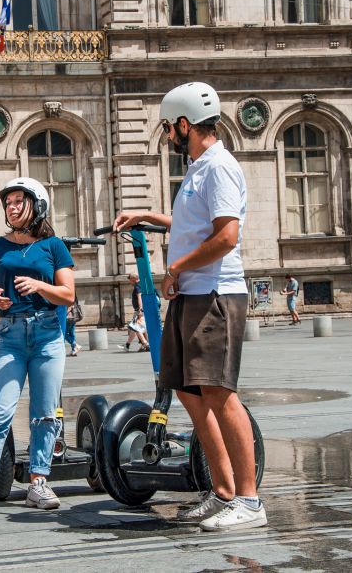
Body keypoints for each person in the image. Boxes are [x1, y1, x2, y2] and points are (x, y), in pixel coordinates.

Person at [113, 81, 265, 532]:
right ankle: (221, 493)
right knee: (188, 390)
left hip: (214, 295)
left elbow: (226, 236)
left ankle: (250, 500)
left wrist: (175, 267)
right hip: (191, 294)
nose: (167, 137)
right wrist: (146, 216)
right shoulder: (200, 168)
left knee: (219, 392)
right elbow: (190, 223)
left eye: (168, 129)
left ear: (184, 124)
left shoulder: (219, 167)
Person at [0, 177, 75, 515]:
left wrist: (40, 285)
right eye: (7, 203)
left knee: (44, 414)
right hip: (10, 335)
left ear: (36, 205)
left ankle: (38, 482)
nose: (11, 207)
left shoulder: (54, 246)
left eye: (17, 201)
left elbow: (68, 294)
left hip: (47, 334)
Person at [120, 273, 149, 352]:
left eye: (130, 280)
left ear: (133, 279)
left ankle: (146, 344)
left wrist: (140, 309)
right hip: (140, 310)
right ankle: (127, 345)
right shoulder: (140, 285)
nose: (130, 282)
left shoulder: (137, 287)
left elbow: (139, 298)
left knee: (135, 328)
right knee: (134, 328)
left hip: (138, 311)